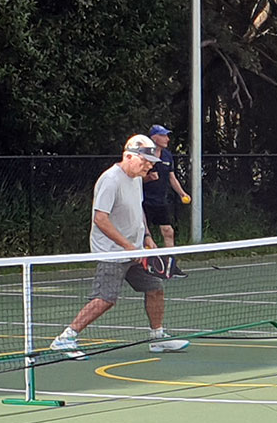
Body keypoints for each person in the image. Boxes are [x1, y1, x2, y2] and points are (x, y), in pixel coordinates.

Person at [48, 135, 191, 359]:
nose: (149, 165)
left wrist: (146, 236)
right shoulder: (110, 180)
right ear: (128, 156)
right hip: (112, 253)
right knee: (105, 299)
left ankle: (157, 338)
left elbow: (138, 209)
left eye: (150, 161)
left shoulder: (136, 178)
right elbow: (100, 219)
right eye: (144, 161)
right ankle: (66, 337)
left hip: (133, 250)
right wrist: (127, 247)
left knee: (155, 289)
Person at [142, 126, 189, 277]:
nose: (167, 139)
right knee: (143, 236)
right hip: (143, 202)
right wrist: (148, 178)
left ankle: (171, 266)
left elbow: (171, 178)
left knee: (168, 231)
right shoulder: (144, 156)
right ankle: (145, 267)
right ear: (154, 138)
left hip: (160, 201)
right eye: (164, 136)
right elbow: (134, 180)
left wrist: (182, 193)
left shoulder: (167, 155)